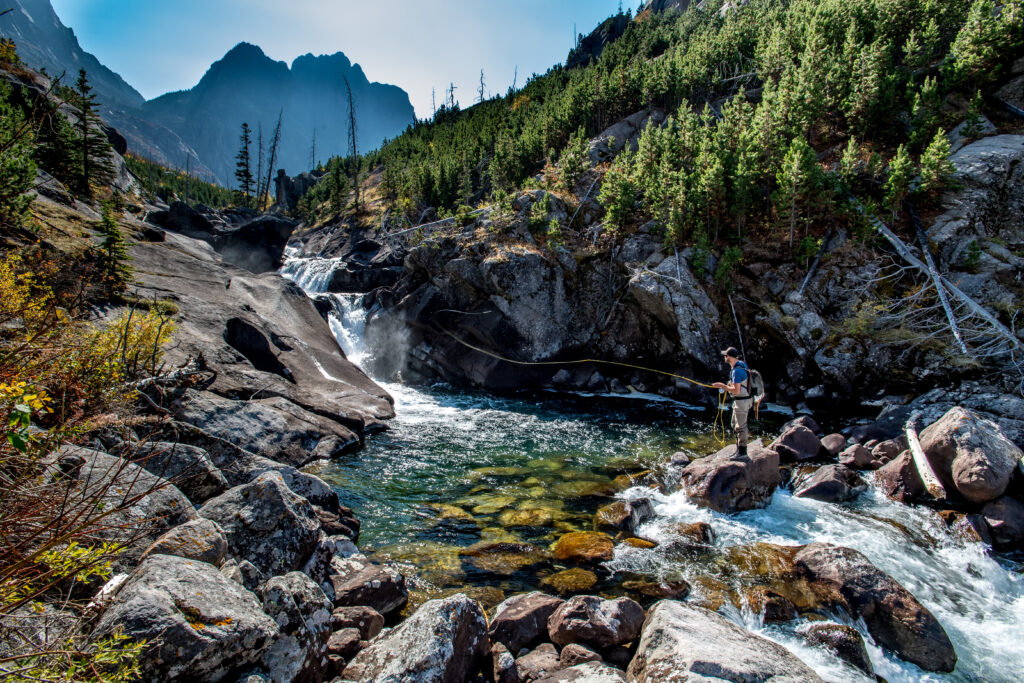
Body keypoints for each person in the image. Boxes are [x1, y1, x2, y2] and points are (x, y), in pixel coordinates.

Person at [712, 346, 752, 456]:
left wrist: (723, 386)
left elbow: (736, 390)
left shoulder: (737, 371)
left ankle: (742, 452)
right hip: (743, 400)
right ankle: (738, 449)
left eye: (725, 355)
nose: (724, 357)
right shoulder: (741, 364)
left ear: (729, 357)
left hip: (742, 402)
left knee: (740, 427)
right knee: (734, 424)